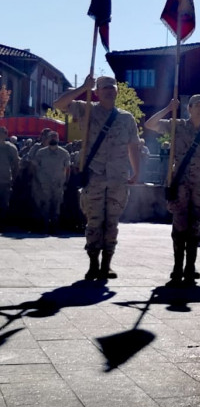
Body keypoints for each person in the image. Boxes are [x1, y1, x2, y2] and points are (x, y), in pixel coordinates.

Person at [54, 76, 140, 282]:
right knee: (94, 221)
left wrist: (136, 171)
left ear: (117, 92)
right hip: (94, 175)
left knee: (112, 222)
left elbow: (133, 145)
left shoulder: (127, 118)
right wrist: (83, 88)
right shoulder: (86, 110)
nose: (109, 91)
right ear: (97, 92)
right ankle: (93, 263)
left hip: (118, 177)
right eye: (104, 88)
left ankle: (107, 264)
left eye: (112, 88)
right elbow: (59, 104)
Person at [146, 94, 200, 286]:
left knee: (195, 226)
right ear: (189, 108)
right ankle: (178, 265)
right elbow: (150, 124)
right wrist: (168, 108)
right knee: (179, 225)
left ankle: (191, 266)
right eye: (197, 105)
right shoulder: (177, 126)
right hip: (180, 183)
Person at [28, 131, 71, 234]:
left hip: (58, 183)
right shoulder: (41, 152)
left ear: (58, 139)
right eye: (51, 137)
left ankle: (55, 227)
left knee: (57, 205)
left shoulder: (64, 153)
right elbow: (34, 166)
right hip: (44, 184)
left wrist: (66, 182)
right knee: (45, 205)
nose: (53, 139)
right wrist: (35, 179)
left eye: (55, 137)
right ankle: (45, 226)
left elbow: (67, 168)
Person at [0, 127, 17, 227]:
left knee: (4, 204)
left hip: (5, 180)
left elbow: (16, 164)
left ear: (6, 135)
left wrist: (13, 179)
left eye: (2, 133)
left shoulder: (11, 148)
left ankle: (2, 224)